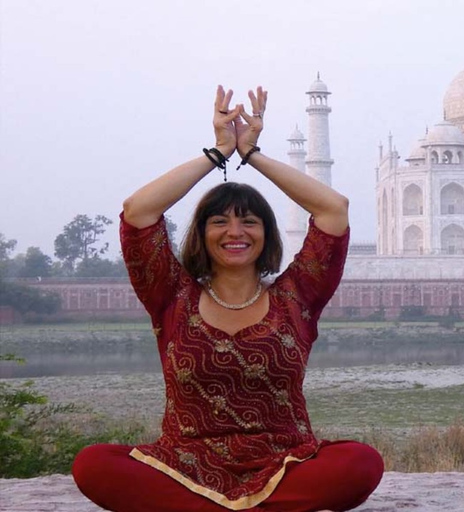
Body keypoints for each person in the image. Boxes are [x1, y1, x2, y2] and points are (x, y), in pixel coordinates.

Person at [72, 85, 384, 512]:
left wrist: (253, 155)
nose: (235, 233)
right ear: (201, 234)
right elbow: (137, 211)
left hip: (284, 462)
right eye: (219, 222)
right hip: (184, 465)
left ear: (267, 234)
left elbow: (334, 210)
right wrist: (219, 152)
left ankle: (212, 507)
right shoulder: (171, 295)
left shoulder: (298, 297)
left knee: (360, 463)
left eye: (249, 222)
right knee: (93, 464)